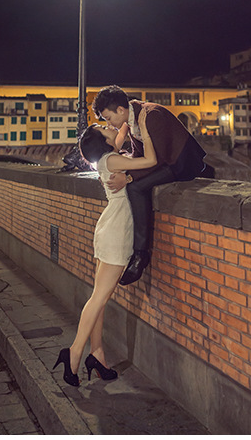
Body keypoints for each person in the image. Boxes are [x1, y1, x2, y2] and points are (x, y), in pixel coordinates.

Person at [53, 111, 158, 386]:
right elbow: (151, 161)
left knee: (98, 298)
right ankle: (74, 352)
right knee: (98, 299)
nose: (108, 127)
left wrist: (126, 116)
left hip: (107, 228)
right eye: (103, 127)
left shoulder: (105, 159)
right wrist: (145, 128)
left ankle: (97, 354)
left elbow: (120, 132)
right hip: (116, 232)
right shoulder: (113, 158)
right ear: (103, 141)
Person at [92, 86, 208, 285]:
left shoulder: (151, 115)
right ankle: (137, 252)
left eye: (108, 118)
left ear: (120, 110)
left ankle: (140, 254)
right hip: (165, 161)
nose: (108, 123)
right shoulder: (133, 116)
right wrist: (121, 170)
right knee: (133, 185)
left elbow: (159, 159)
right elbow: (140, 155)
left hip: (180, 164)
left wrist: (127, 178)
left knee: (135, 188)